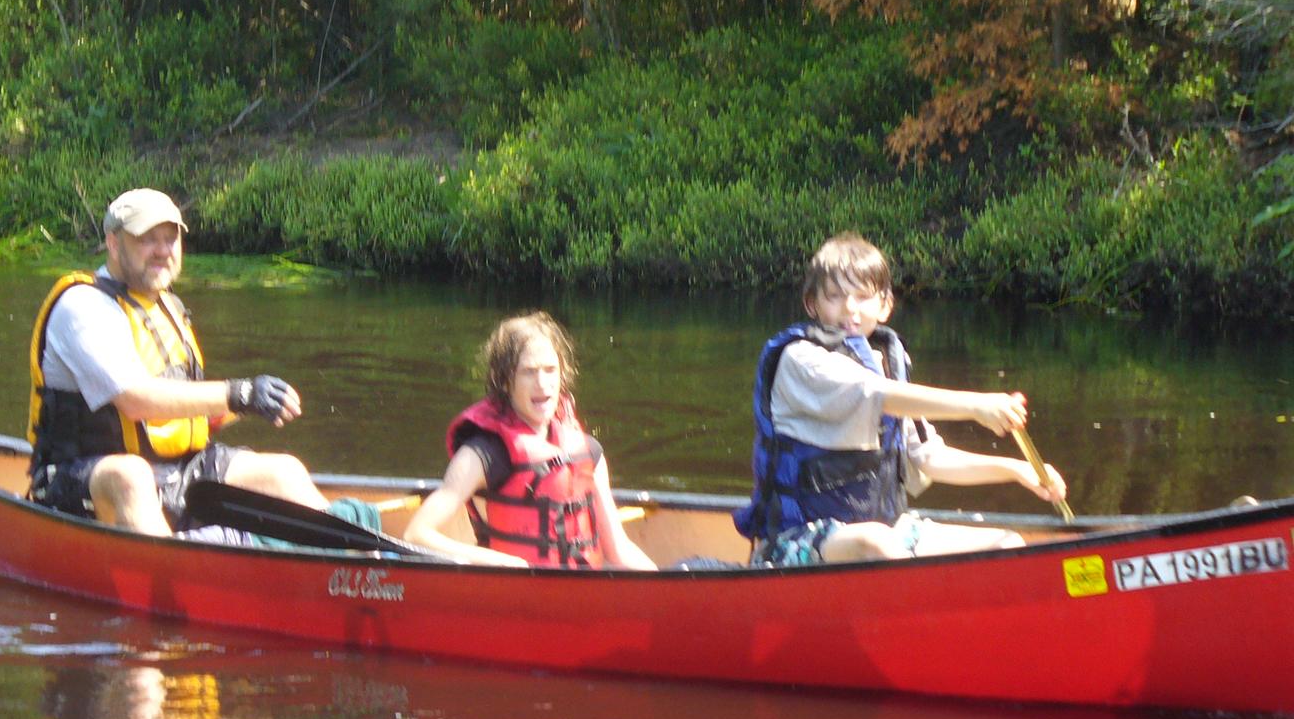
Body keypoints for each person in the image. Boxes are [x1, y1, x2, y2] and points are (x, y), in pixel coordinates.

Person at [736, 232, 1066, 565]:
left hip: (885, 531)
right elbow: (876, 395)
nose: (850, 308)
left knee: (1006, 544)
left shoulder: (886, 365)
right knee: (875, 542)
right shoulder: (801, 359)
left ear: (885, 306)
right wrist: (976, 406)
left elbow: (931, 458)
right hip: (795, 541)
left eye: (862, 296)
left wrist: (1018, 470)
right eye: (834, 296)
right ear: (812, 304)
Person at [27, 187, 330, 538]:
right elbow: (137, 400)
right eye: (147, 240)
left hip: (176, 470)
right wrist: (241, 394)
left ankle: (356, 557)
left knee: (284, 472)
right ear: (113, 243)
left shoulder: (167, 307)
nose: (162, 250)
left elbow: (180, 412)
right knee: (132, 477)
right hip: (79, 477)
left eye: (170, 239)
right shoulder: (84, 306)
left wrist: (252, 405)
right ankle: (171, 567)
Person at [404, 312, 657, 569]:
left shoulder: (589, 452)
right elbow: (417, 535)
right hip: (512, 589)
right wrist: (501, 562)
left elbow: (619, 550)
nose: (542, 383)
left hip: (580, 588)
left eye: (550, 370)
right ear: (504, 381)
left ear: (562, 375)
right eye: (528, 372)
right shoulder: (483, 454)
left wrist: (662, 583)